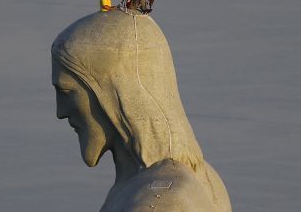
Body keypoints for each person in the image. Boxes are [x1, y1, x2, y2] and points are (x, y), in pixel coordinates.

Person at [51, 12, 232, 212]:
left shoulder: (160, 202)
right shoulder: (207, 179)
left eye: (66, 91)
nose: (61, 112)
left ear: (115, 92)